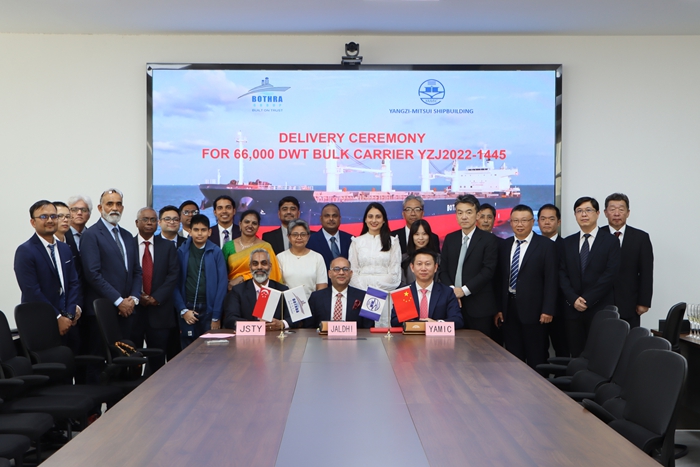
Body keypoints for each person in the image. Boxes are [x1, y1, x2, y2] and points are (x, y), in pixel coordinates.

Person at [494, 205, 558, 369]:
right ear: (510, 222)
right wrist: (499, 308)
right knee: (513, 355)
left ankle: (539, 385)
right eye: (515, 221)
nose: (519, 224)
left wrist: (548, 309)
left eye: (524, 220)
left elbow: (551, 279)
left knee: (537, 355)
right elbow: (500, 279)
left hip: (536, 311)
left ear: (532, 221)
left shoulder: (545, 245)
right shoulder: (504, 245)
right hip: (509, 308)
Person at [14, 200, 82, 350]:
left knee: (70, 362)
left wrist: (69, 315)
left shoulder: (65, 249)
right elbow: (31, 291)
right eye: (44, 217)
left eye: (53, 216)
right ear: (33, 222)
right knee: (49, 363)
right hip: (41, 323)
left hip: (68, 323)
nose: (50, 220)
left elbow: (73, 283)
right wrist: (57, 317)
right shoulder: (25, 251)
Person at [559, 196, 620, 357]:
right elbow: (562, 274)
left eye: (588, 210)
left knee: (600, 356)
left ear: (598, 213)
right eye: (579, 211)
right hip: (573, 309)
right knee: (576, 355)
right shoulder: (567, 243)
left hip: (600, 308)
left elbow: (610, 274)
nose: (584, 214)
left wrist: (588, 299)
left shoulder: (610, 241)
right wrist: (573, 299)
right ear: (575, 215)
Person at [81, 188, 142, 341]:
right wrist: (119, 301)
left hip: (128, 311)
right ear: (100, 208)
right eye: (110, 204)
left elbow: (136, 271)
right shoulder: (91, 235)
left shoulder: (127, 236)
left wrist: (133, 299)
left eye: (118, 204)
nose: (115, 208)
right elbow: (93, 274)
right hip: (103, 311)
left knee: (127, 353)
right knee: (103, 355)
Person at [439, 194, 498, 338]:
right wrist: (453, 291)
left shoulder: (489, 239)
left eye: (468, 212)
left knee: (479, 347)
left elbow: (487, 271)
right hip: (452, 304)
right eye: (460, 213)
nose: (464, 217)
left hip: (479, 306)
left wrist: (463, 291)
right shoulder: (450, 238)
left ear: (477, 215)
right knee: (452, 346)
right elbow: (443, 270)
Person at [131, 208, 179, 372]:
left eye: (153, 220)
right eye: (145, 219)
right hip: (133, 311)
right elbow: (122, 275)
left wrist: (156, 298)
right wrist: (138, 295)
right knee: (132, 359)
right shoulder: (127, 245)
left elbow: (173, 275)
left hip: (160, 311)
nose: (149, 223)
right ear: (137, 223)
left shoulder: (168, 246)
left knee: (158, 361)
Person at [173, 214, 228, 347]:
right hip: (188, 308)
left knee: (211, 349)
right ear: (190, 231)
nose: (199, 233)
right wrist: (183, 310)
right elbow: (174, 283)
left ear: (209, 232)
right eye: (196, 230)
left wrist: (216, 316)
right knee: (188, 349)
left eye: (203, 230)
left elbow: (222, 284)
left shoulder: (216, 252)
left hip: (209, 310)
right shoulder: (181, 251)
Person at [604, 193, 654, 328]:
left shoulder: (641, 238)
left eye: (621, 209)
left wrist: (644, 302)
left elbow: (646, 272)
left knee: (629, 339)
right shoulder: (597, 235)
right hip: (601, 301)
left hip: (630, 302)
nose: (616, 213)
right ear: (605, 213)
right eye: (612, 209)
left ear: (628, 213)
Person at [348, 202, 401, 327]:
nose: (374, 220)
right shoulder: (356, 242)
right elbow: (352, 271)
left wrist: (375, 290)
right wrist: (364, 291)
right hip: (361, 293)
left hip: (385, 292)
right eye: (370, 216)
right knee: (365, 330)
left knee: (384, 330)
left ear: (384, 220)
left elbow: (395, 273)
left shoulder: (393, 242)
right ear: (365, 219)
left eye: (378, 217)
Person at [391, 249, 463, 328]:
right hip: (411, 335)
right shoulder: (403, 292)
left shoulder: (447, 292)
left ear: (435, 267)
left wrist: (436, 323)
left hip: (437, 335)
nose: (423, 268)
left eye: (428, 264)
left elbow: (457, 320)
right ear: (412, 267)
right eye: (419, 264)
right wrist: (416, 324)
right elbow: (394, 321)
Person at [223, 249, 290, 330]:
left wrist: (282, 324)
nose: (259, 267)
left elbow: (295, 318)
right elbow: (230, 319)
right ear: (250, 267)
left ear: (270, 266)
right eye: (255, 264)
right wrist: (256, 325)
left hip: (275, 336)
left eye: (264, 263)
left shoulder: (282, 290)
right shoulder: (238, 291)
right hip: (248, 336)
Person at [537, 203, 569, 357]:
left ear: (559, 222)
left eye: (551, 219)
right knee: (538, 349)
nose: (547, 222)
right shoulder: (532, 246)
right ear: (538, 222)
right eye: (543, 219)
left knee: (562, 348)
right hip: (536, 308)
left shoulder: (567, 246)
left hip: (562, 308)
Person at [222, 209, 282, 290]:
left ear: (258, 227)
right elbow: (222, 273)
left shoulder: (265, 247)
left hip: (258, 290)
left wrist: (243, 278)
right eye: (247, 222)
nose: (250, 225)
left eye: (254, 223)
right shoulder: (228, 246)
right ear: (240, 224)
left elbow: (272, 273)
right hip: (233, 290)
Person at [308, 257, 373, 329]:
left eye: (345, 269)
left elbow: (368, 328)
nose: (341, 273)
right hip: (323, 336)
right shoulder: (316, 297)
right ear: (329, 274)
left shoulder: (364, 297)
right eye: (336, 269)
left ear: (351, 273)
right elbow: (308, 328)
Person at [277, 219, 327, 299]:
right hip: (288, 302)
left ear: (308, 236)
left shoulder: (317, 257)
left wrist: (315, 303)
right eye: (295, 234)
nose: (299, 238)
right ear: (289, 237)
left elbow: (322, 286)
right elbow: (278, 285)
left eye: (303, 234)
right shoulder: (280, 257)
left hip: (312, 303)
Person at [306, 203, 352, 271]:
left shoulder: (350, 240)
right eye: (327, 216)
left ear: (340, 218)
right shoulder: (310, 241)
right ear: (321, 219)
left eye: (334, 216)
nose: (331, 219)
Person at [400, 219, 440, 285]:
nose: (421, 238)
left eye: (424, 234)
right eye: (417, 234)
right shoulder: (403, 259)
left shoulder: (438, 258)